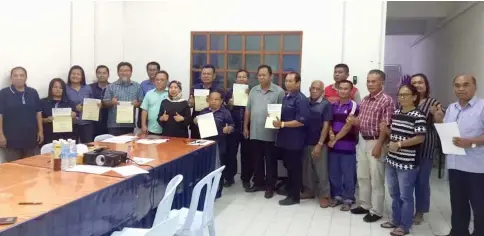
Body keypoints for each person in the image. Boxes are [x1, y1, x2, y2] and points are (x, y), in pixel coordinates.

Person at [379, 84, 427, 236]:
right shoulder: (397, 112)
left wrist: (399, 144)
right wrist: (387, 132)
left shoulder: (418, 116)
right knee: (394, 194)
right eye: (400, 95)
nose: (402, 97)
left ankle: (405, 226)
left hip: (407, 163)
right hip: (392, 159)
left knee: (406, 196)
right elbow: (396, 133)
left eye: (405, 95)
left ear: (414, 97)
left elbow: (420, 138)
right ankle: (395, 220)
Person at [349, 69, 394, 223]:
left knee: (376, 178)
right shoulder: (366, 99)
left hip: (376, 141)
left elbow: (385, 125)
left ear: (382, 82)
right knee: (362, 175)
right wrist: (354, 121)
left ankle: (377, 211)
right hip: (362, 139)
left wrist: (379, 145)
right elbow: (361, 120)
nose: (370, 84)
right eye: (368, 81)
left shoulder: (386, 100)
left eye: (374, 81)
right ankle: (364, 205)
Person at [442, 75, 484, 236]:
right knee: (458, 204)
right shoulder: (452, 108)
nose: (461, 89)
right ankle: (458, 232)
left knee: (480, 207)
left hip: (476, 168)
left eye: (465, 85)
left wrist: (471, 142)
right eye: (457, 85)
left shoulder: (482, 107)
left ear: (475, 86)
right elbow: (447, 131)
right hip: (454, 165)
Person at [244, 65, 285, 199]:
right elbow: (248, 110)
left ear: (271, 76)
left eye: (264, 75)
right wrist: (246, 127)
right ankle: (258, 183)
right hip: (255, 132)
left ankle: (270, 186)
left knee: (270, 161)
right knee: (257, 160)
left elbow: (283, 112)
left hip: (271, 133)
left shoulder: (279, 92)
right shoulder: (253, 90)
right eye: (259, 75)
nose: (261, 77)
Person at [409, 73, 444, 225]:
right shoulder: (407, 100)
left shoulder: (433, 102)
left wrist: (436, 114)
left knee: (422, 181)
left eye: (420, 82)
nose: (417, 85)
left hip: (425, 147)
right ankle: (407, 208)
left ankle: (420, 211)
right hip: (407, 147)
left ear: (426, 84)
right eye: (414, 83)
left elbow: (440, 121)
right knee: (407, 181)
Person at [272, 72, 310, 205]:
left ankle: (295, 197)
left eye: (290, 81)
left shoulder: (301, 99)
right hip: (284, 138)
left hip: (295, 140)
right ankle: (290, 191)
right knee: (288, 167)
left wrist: (282, 124)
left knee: (294, 169)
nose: (287, 83)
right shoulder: (286, 97)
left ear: (298, 83)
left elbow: (301, 121)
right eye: (286, 81)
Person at [327, 80, 359, 211]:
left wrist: (335, 139)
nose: (343, 91)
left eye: (346, 89)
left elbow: (348, 126)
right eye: (341, 88)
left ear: (351, 91)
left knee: (348, 174)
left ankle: (348, 198)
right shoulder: (333, 106)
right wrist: (330, 134)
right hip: (333, 146)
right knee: (334, 173)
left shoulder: (354, 106)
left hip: (347, 146)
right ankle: (337, 196)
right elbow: (329, 122)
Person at [0, 67, 43, 162]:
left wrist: (41, 131)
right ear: (11, 78)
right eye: (15, 75)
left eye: (21, 75)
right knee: (13, 169)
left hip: (31, 138)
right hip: (11, 139)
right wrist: (1, 135)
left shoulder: (33, 92)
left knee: (30, 167)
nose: (18, 78)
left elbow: (38, 113)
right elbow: (0, 114)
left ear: (26, 77)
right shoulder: (4, 93)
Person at [196, 90, 234, 197]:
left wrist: (229, 128)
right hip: (205, 144)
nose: (213, 101)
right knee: (206, 167)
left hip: (219, 143)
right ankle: (206, 189)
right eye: (211, 99)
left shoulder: (225, 112)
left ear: (221, 101)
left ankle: (218, 191)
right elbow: (197, 125)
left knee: (218, 167)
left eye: (216, 99)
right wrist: (196, 121)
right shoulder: (203, 112)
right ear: (208, 100)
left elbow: (232, 125)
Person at [301, 80, 333, 208]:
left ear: (322, 91)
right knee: (307, 169)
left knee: (321, 170)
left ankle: (324, 195)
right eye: (312, 88)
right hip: (305, 142)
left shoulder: (326, 105)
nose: (314, 91)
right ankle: (309, 191)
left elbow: (326, 126)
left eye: (317, 89)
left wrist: (320, 144)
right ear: (309, 89)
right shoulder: (305, 102)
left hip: (319, 143)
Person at [224, 69, 251, 188]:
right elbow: (224, 111)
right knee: (231, 154)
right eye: (239, 77)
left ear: (247, 79)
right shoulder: (229, 92)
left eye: (244, 77)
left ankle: (246, 179)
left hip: (247, 127)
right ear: (236, 79)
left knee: (247, 154)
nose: (241, 79)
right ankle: (229, 178)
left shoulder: (252, 92)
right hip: (233, 127)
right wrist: (229, 104)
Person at [103, 62, 144, 136]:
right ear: (118, 72)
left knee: (128, 146)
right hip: (114, 125)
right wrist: (111, 102)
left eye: (127, 70)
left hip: (129, 124)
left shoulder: (137, 86)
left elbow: (142, 103)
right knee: (114, 147)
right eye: (121, 70)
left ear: (131, 72)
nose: (124, 73)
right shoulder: (111, 86)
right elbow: (105, 103)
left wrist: (137, 104)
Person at [188, 64, 221, 139]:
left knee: (209, 148)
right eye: (204, 74)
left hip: (212, 123)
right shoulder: (195, 88)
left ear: (214, 76)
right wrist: (190, 103)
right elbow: (190, 104)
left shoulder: (219, 90)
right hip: (196, 123)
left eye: (208, 74)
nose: (206, 76)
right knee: (194, 147)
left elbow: (222, 107)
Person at [40, 78, 77, 144]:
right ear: (51, 88)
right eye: (55, 87)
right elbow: (38, 120)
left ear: (64, 90)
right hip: (49, 136)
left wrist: (74, 116)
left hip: (67, 136)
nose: (58, 89)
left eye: (60, 87)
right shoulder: (43, 102)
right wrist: (46, 120)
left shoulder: (70, 103)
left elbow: (76, 120)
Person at [66, 65, 94, 143]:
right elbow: (62, 104)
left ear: (82, 76)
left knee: (87, 146)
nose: (75, 76)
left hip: (86, 122)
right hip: (70, 123)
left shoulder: (88, 88)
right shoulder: (65, 88)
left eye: (78, 74)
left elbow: (93, 103)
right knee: (71, 147)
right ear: (69, 75)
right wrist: (74, 108)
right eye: (73, 74)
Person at [140, 71, 169, 135]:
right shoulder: (149, 93)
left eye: (162, 80)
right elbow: (144, 110)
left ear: (167, 81)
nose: (159, 82)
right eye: (157, 80)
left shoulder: (171, 93)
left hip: (167, 129)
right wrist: (143, 125)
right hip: (151, 129)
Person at [89, 65, 110, 139]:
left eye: (104, 73)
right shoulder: (89, 87)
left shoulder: (112, 87)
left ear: (108, 75)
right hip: (93, 122)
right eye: (99, 73)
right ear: (96, 74)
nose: (102, 75)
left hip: (108, 122)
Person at [138, 61, 161, 129]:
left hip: (161, 116)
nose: (152, 72)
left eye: (154, 70)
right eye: (150, 70)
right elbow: (141, 101)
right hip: (146, 116)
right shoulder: (143, 84)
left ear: (158, 71)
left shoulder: (167, 84)